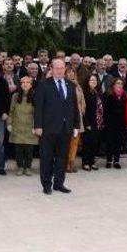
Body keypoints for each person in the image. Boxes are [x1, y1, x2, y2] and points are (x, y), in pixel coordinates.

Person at [34, 58, 80, 195]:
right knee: (46, 157)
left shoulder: (70, 85)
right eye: (57, 68)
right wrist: (38, 126)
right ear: (51, 69)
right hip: (48, 129)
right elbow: (38, 108)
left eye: (62, 68)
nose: (60, 70)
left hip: (66, 128)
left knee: (62, 158)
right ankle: (47, 184)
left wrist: (76, 125)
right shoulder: (43, 85)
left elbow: (74, 107)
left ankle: (59, 184)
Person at [7, 76, 37, 176]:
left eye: (27, 82)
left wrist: (35, 126)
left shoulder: (35, 95)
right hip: (17, 126)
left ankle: (27, 167)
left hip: (30, 127)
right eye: (23, 82)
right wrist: (9, 123)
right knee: (18, 149)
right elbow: (11, 111)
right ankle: (20, 167)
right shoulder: (15, 96)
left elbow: (37, 113)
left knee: (29, 149)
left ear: (31, 84)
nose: (25, 84)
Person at [103, 77, 127, 169]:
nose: (119, 85)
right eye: (117, 83)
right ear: (113, 84)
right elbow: (105, 110)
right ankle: (109, 160)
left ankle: (116, 161)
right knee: (110, 142)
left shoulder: (125, 95)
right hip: (110, 123)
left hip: (121, 123)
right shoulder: (107, 94)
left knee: (118, 142)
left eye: (121, 83)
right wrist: (105, 122)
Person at [82, 75, 105, 170]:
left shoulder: (98, 93)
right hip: (88, 122)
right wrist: (86, 123)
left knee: (95, 143)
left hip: (97, 122)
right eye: (91, 79)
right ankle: (85, 162)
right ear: (87, 81)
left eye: (95, 80)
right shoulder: (85, 93)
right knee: (87, 143)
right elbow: (83, 110)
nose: (93, 81)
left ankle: (92, 161)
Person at [65, 67, 85, 173]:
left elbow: (82, 101)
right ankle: (66, 163)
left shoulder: (78, 85)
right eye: (69, 72)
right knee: (67, 141)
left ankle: (72, 162)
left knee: (75, 142)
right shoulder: (64, 84)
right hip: (68, 116)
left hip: (78, 116)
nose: (71, 74)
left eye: (73, 72)